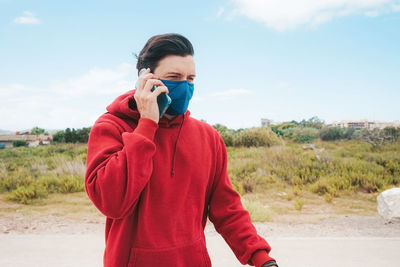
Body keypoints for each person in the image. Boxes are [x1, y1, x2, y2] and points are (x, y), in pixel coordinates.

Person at [85, 33, 278, 267]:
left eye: (191, 79)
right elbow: (112, 202)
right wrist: (147, 124)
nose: (185, 86)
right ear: (144, 77)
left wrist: (261, 258)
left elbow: (227, 209)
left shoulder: (208, 137)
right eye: (174, 77)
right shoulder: (111, 127)